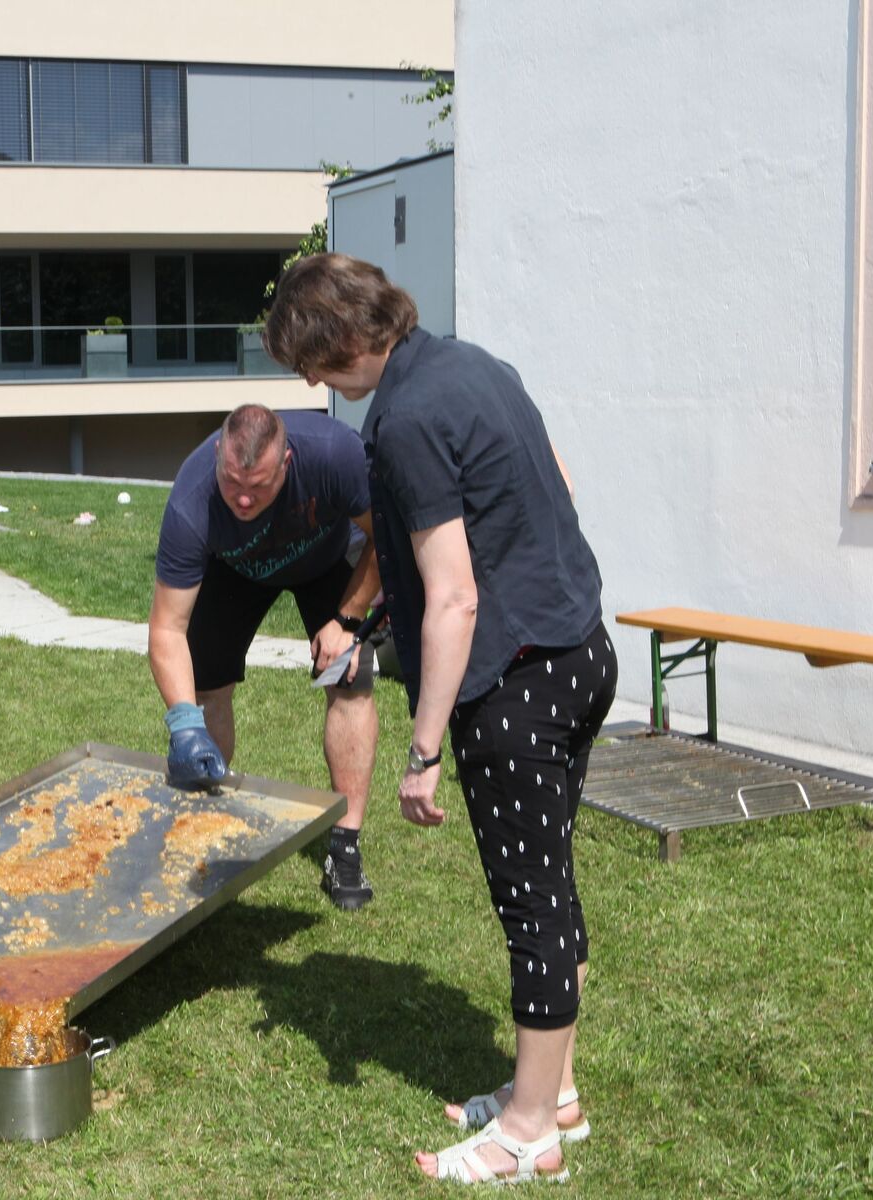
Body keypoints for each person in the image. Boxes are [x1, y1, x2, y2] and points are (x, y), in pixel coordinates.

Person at [266, 253, 613, 1186]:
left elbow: (454, 596)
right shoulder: (474, 365)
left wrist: (422, 752)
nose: (313, 384)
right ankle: (556, 1092)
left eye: (310, 363)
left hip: (517, 687)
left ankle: (529, 1133)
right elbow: (556, 484)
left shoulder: (408, 419)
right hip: (581, 652)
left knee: (531, 906)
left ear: (340, 342)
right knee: (554, 884)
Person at [147, 402, 383, 909]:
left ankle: (345, 846)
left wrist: (348, 620)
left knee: (350, 679)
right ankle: (200, 822)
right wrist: (184, 723)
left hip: (326, 557)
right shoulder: (193, 499)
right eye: (232, 482)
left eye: (258, 486)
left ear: (287, 463)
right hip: (236, 569)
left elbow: (389, 533)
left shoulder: (333, 454)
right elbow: (167, 627)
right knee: (204, 690)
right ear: (218, 455)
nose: (243, 498)